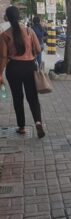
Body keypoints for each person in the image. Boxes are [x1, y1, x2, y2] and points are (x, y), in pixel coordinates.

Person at [0, 6, 45, 138]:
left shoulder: (4, 35)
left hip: (13, 69)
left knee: (18, 98)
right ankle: (38, 122)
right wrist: (30, 55)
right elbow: (38, 49)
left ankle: (22, 127)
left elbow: (3, 56)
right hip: (29, 67)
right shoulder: (29, 31)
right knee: (32, 97)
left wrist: (0, 73)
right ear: (19, 16)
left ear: (7, 17)